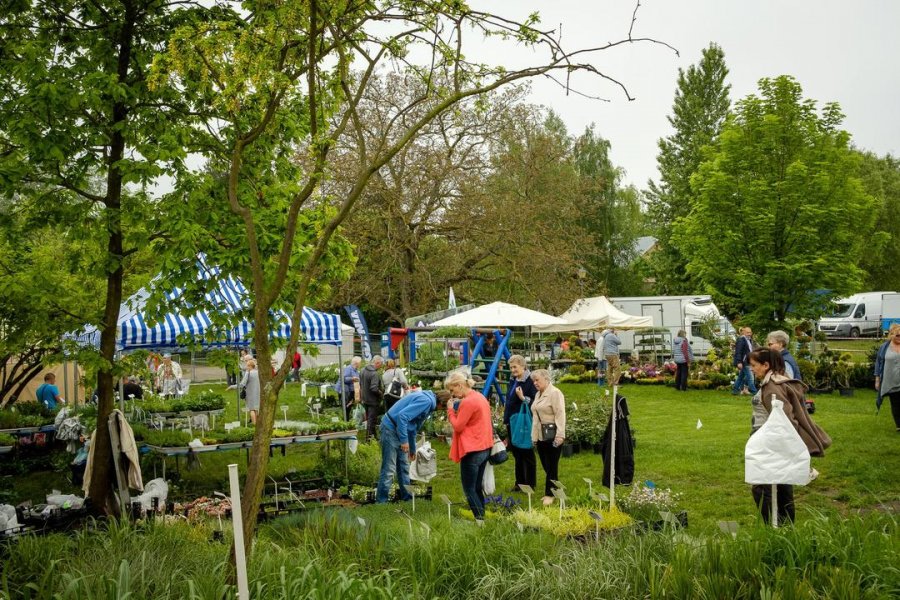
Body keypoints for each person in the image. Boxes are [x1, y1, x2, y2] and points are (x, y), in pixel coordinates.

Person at [747, 348, 831, 524]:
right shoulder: (777, 381)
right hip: (772, 440)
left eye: (754, 365)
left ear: (766, 365)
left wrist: (789, 448)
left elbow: (785, 420)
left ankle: (774, 527)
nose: (751, 368)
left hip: (770, 442)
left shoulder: (771, 388)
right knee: (782, 482)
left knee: (763, 487)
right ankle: (786, 528)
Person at [376, 389, 451, 503]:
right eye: (444, 408)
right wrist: (404, 441)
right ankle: (381, 501)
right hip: (390, 428)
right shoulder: (426, 401)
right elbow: (402, 417)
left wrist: (412, 448)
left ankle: (407, 498)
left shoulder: (429, 402)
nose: (441, 410)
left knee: (404, 466)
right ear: (441, 404)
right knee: (389, 468)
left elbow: (413, 427)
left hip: (399, 429)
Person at [445, 370, 493, 524]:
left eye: (452, 390)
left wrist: (450, 411)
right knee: (477, 487)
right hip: (484, 447)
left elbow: (458, 426)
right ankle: (482, 518)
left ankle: (480, 521)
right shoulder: (479, 397)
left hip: (472, 449)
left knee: (469, 489)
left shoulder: (467, 402)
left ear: (459, 385)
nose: (451, 394)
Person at [530, 369, 566, 506]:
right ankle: (556, 487)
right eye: (533, 380)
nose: (535, 383)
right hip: (540, 435)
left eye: (537, 380)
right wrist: (534, 437)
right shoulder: (538, 394)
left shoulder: (555, 393)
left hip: (553, 434)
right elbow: (535, 417)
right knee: (546, 465)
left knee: (551, 466)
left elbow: (560, 414)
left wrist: (560, 435)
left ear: (546, 379)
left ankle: (549, 494)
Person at [503, 355, 538, 492]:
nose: (512, 370)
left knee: (527, 451)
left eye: (515, 367)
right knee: (517, 452)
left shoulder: (530, 381)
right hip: (512, 420)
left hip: (524, 421)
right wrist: (506, 420)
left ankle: (530, 484)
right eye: (511, 367)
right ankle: (519, 483)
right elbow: (509, 401)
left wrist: (523, 398)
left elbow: (535, 400)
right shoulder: (513, 380)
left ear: (523, 366)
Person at [874, 323, 900, 431]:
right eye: (897, 335)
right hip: (890, 381)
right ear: (891, 335)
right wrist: (877, 379)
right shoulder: (884, 347)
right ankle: (899, 425)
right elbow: (878, 363)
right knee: (896, 404)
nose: (899, 338)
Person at [360, 355, 384, 441]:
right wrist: (381, 393)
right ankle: (369, 438)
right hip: (373, 401)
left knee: (370, 419)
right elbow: (374, 388)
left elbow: (361, 384)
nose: (381, 366)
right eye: (381, 364)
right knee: (371, 420)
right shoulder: (374, 374)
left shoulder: (362, 370)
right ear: (377, 363)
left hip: (365, 399)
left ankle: (374, 436)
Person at [732, 326, 758, 395]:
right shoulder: (741, 340)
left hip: (748, 361)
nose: (749, 334)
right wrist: (739, 362)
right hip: (744, 362)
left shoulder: (749, 339)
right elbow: (738, 352)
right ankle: (754, 391)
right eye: (747, 332)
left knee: (741, 377)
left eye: (750, 332)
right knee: (750, 377)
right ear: (743, 332)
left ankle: (735, 390)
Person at [240, 358, 260, 425]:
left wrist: (232, 387)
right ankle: (258, 424)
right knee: (256, 409)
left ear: (250, 366)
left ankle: (254, 424)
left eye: (247, 365)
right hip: (258, 393)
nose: (246, 367)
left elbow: (242, 384)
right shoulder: (258, 372)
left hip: (250, 394)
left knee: (251, 409)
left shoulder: (248, 373)